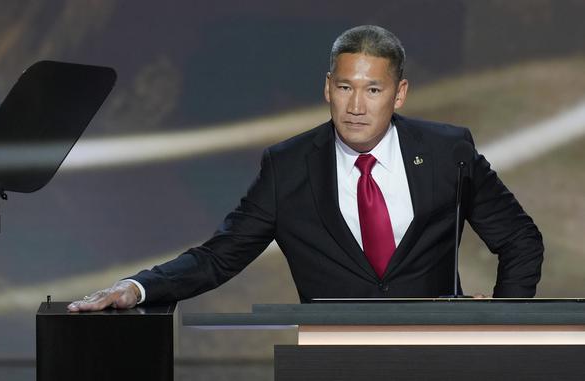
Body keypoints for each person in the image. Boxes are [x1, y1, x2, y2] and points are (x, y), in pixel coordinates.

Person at [68, 25, 543, 312]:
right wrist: (137, 287)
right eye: (344, 87)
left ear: (399, 94)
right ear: (327, 89)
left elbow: (520, 239)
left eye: (373, 90)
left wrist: (502, 320)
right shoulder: (288, 167)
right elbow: (218, 257)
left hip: (436, 359)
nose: (356, 105)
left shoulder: (447, 152)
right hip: (330, 359)